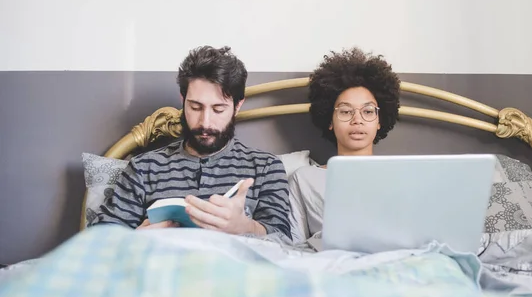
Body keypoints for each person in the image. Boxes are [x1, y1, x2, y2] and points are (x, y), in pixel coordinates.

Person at [94, 46, 291, 240]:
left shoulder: (265, 167)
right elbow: (99, 242)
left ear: (237, 106)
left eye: (218, 109)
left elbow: (283, 241)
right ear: (183, 100)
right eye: (195, 107)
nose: (205, 123)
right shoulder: (144, 168)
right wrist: (136, 239)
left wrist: (245, 227)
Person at [289, 47, 400, 244]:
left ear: (379, 120)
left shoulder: (402, 175)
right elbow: (292, 245)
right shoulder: (305, 178)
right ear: (330, 120)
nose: (357, 120)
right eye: (346, 111)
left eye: (367, 111)